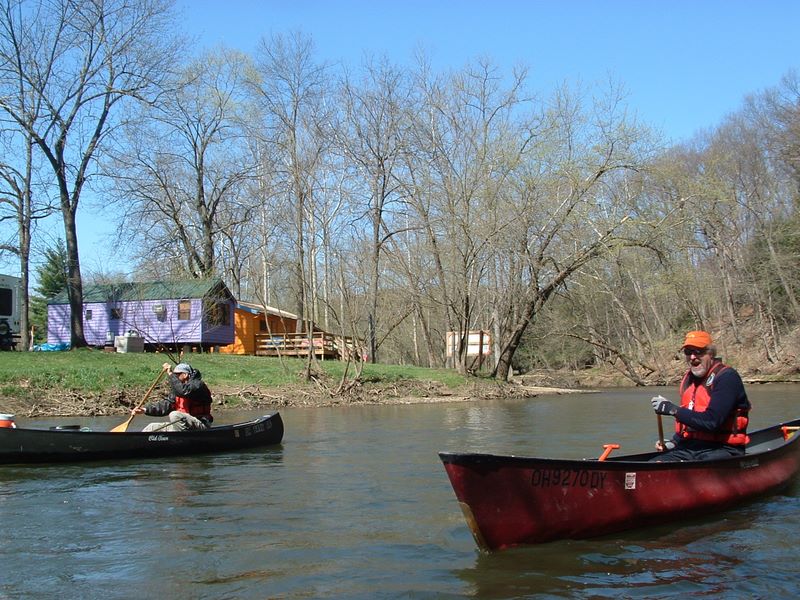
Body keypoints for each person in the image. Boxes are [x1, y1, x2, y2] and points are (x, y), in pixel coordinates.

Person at [649, 330, 751, 462]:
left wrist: (672, 410)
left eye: (698, 351)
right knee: (655, 463)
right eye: (688, 352)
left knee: (701, 464)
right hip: (691, 448)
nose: (692, 357)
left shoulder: (727, 378)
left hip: (724, 449)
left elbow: (711, 422)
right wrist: (674, 442)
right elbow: (690, 420)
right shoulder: (688, 380)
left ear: (711, 353)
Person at [133, 362, 214, 432]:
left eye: (176, 375)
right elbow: (166, 405)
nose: (174, 378)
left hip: (200, 425)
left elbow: (183, 391)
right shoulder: (178, 390)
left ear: (185, 375)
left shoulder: (198, 385)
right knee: (151, 427)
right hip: (183, 426)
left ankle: (183, 439)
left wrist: (170, 374)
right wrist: (145, 410)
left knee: (174, 415)